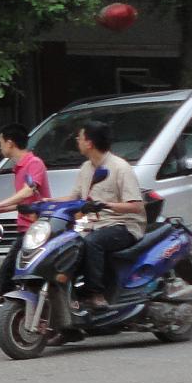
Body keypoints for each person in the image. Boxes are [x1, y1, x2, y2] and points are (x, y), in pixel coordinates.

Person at [71, 119, 146, 306]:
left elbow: (136, 205)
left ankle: (96, 293)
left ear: (89, 143)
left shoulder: (120, 167)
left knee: (92, 242)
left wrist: (106, 205)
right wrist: (45, 202)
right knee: (66, 242)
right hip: (92, 224)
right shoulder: (86, 168)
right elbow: (73, 197)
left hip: (123, 225)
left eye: (79, 138)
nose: (77, 141)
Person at [0, 123, 50, 231]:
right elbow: (24, 202)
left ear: (9, 143)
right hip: (25, 227)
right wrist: (0, 209)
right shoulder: (18, 167)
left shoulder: (34, 163)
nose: (0, 147)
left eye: (1, 143)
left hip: (37, 228)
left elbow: (28, 191)